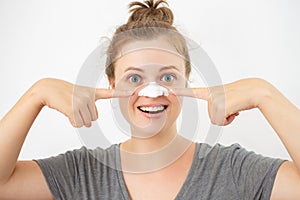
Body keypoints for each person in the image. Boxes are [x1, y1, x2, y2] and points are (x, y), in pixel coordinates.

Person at [0, 0, 299, 199]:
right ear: (112, 84)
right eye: (134, 78)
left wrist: (264, 93)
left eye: (167, 77)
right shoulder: (81, 173)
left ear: (187, 80)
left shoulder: (233, 170)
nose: (151, 92)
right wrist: (36, 94)